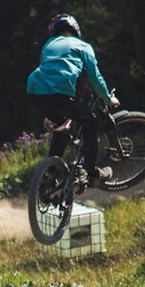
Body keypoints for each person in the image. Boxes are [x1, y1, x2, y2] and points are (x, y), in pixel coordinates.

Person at [27, 13, 121, 186]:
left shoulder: (49, 45)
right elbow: (95, 77)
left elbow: (52, 70)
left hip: (37, 94)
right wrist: (107, 98)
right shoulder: (83, 46)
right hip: (62, 96)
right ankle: (92, 173)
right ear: (76, 30)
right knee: (91, 123)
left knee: (63, 125)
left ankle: (49, 174)